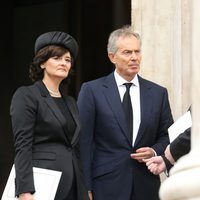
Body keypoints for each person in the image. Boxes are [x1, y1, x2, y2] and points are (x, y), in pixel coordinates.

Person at [77, 25, 174, 200]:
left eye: (137, 52)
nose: (134, 58)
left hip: (146, 186)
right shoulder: (92, 90)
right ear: (112, 57)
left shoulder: (158, 93)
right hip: (105, 187)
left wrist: (153, 151)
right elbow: (83, 142)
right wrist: (86, 187)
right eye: (127, 52)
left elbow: (168, 136)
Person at [10, 31, 89, 200]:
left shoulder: (70, 102)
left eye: (67, 60)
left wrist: (84, 187)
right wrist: (24, 189)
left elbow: (75, 148)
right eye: (57, 58)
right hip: (43, 183)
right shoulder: (27, 95)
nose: (64, 63)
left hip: (74, 184)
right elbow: (23, 145)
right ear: (42, 63)